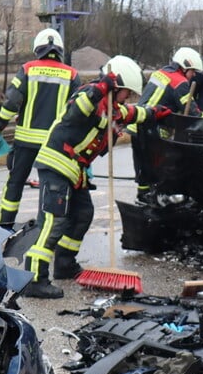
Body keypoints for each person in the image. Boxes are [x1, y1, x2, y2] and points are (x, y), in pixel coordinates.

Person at [23, 55, 171, 298]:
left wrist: (155, 113)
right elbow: (76, 110)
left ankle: (64, 263)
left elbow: (133, 113)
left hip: (74, 171)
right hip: (57, 165)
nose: (128, 98)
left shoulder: (112, 109)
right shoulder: (90, 97)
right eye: (126, 92)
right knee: (54, 220)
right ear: (116, 87)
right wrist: (101, 86)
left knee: (83, 214)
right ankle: (34, 279)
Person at [0, 28, 81, 229]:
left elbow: (11, 103)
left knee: (15, 184)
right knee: (51, 188)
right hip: (54, 145)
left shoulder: (28, 69)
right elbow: (78, 111)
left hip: (25, 142)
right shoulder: (72, 74)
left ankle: (4, 227)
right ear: (60, 50)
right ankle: (47, 229)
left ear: (37, 49)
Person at [131, 47, 203, 204]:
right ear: (184, 67)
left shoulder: (160, 73)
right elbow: (193, 112)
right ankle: (158, 198)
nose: (193, 76)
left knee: (144, 166)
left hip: (137, 125)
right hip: (150, 128)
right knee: (162, 165)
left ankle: (144, 198)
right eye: (192, 71)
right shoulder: (180, 82)